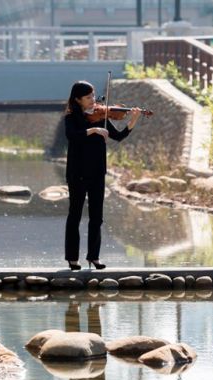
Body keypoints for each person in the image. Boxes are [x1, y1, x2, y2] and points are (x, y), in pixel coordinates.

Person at [64, 80, 141, 270]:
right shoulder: (71, 117)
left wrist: (133, 120)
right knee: (75, 215)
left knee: (96, 217)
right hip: (77, 172)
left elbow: (119, 136)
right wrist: (94, 130)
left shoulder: (102, 116)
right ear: (78, 99)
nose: (93, 100)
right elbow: (73, 135)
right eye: (88, 97)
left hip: (97, 171)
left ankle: (94, 257)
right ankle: (72, 259)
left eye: (93, 96)